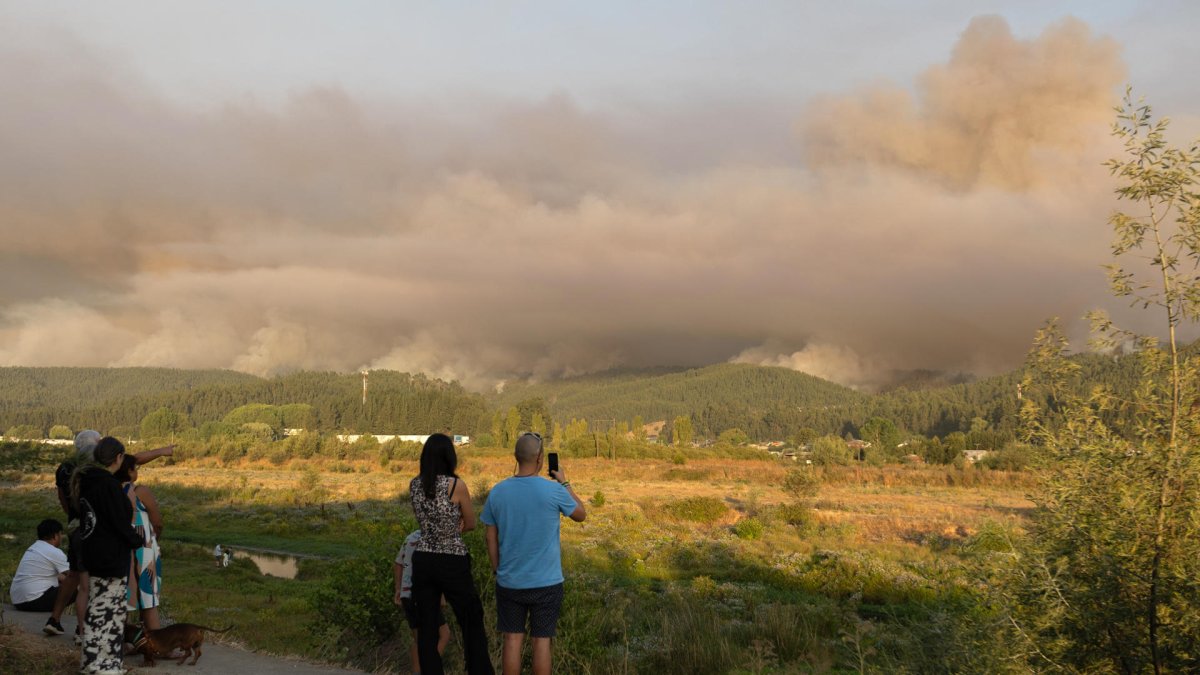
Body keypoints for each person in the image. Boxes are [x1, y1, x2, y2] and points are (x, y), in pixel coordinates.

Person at [45, 430, 174, 640]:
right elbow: (146, 523)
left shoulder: (75, 473)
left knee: (82, 582)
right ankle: (145, 643)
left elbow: (63, 500)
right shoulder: (121, 489)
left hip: (84, 532)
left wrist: (76, 517)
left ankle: (73, 627)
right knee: (143, 598)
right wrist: (142, 540)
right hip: (126, 548)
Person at [480, 432, 586, 675]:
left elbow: (490, 536)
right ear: (540, 459)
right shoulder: (554, 491)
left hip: (510, 582)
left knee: (512, 640)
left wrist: (497, 568)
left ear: (516, 457)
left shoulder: (498, 492)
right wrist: (564, 482)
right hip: (547, 583)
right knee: (541, 641)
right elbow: (580, 514)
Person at [408, 433, 494, 675]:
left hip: (423, 557)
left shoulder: (414, 484)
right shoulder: (456, 485)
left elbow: (424, 521)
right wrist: (455, 531)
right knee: (471, 620)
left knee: (427, 627)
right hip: (452, 559)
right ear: (450, 457)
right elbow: (470, 522)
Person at [74, 436, 142, 675]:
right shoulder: (108, 486)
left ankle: (106, 663)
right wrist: (136, 537)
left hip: (95, 554)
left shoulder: (89, 482)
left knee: (106, 611)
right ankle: (98, 664)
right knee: (107, 613)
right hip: (110, 558)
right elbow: (118, 523)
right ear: (118, 458)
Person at [114, 455, 163, 630]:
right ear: (129, 471)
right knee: (148, 597)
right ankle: (156, 644)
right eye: (135, 468)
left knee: (123, 597)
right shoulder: (140, 491)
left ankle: (123, 642)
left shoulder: (110, 490)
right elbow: (157, 522)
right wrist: (154, 539)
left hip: (119, 547)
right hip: (143, 547)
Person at [394, 529, 451, 674]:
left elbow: (398, 563)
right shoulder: (437, 539)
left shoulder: (410, 537)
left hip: (407, 595)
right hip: (425, 596)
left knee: (419, 639)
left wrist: (398, 589)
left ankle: (417, 671)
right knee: (444, 634)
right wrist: (441, 596)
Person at [10, 519, 72, 612]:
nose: (61, 537)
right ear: (55, 535)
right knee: (78, 588)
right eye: (60, 534)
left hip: (19, 602)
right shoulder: (54, 552)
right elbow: (74, 575)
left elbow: (59, 576)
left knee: (64, 581)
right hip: (34, 601)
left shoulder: (34, 548)